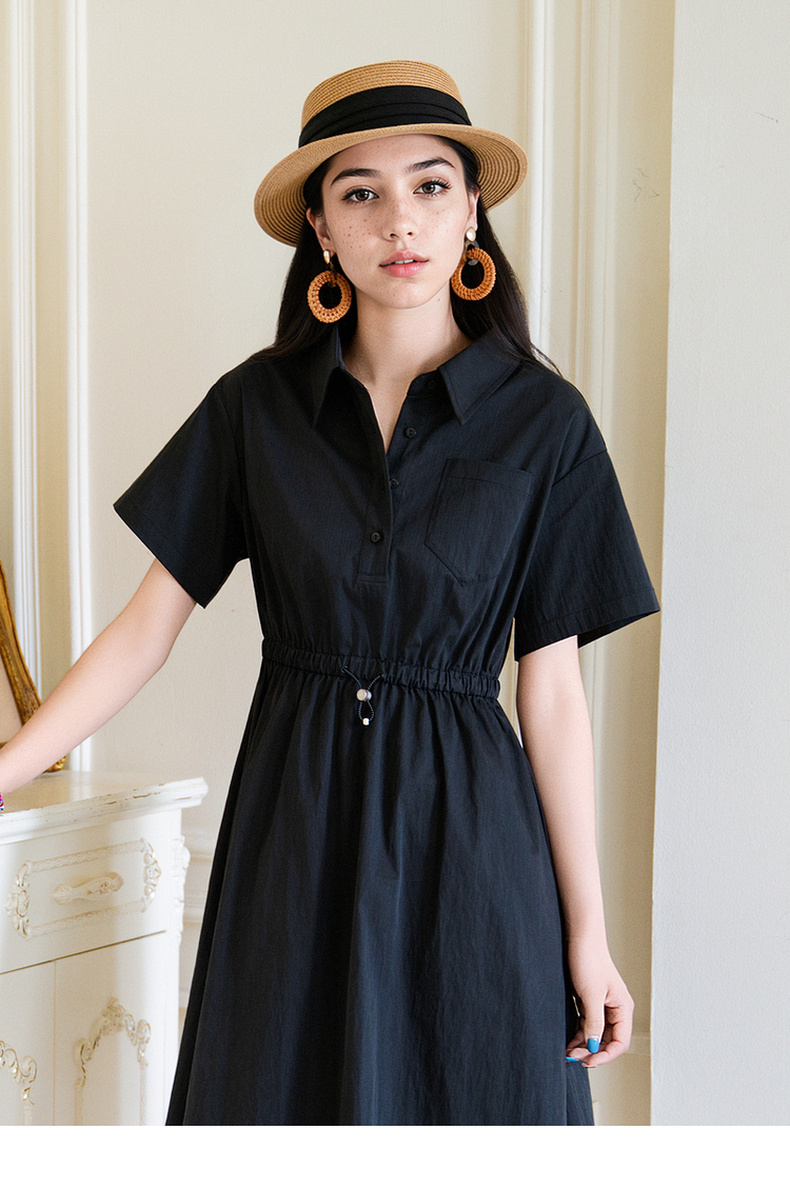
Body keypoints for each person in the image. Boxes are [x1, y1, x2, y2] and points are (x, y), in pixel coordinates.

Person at [0, 60, 659, 1125]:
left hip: (472, 835)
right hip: (294, 825)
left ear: (472, 212)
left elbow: (551, 693)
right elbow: (144, 630)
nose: (400, 219)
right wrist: (8, 769)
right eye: (361, 193)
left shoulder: (547, 425)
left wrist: (587, 932)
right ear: (320, 227)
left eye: (430, 185)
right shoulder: (254, 409)